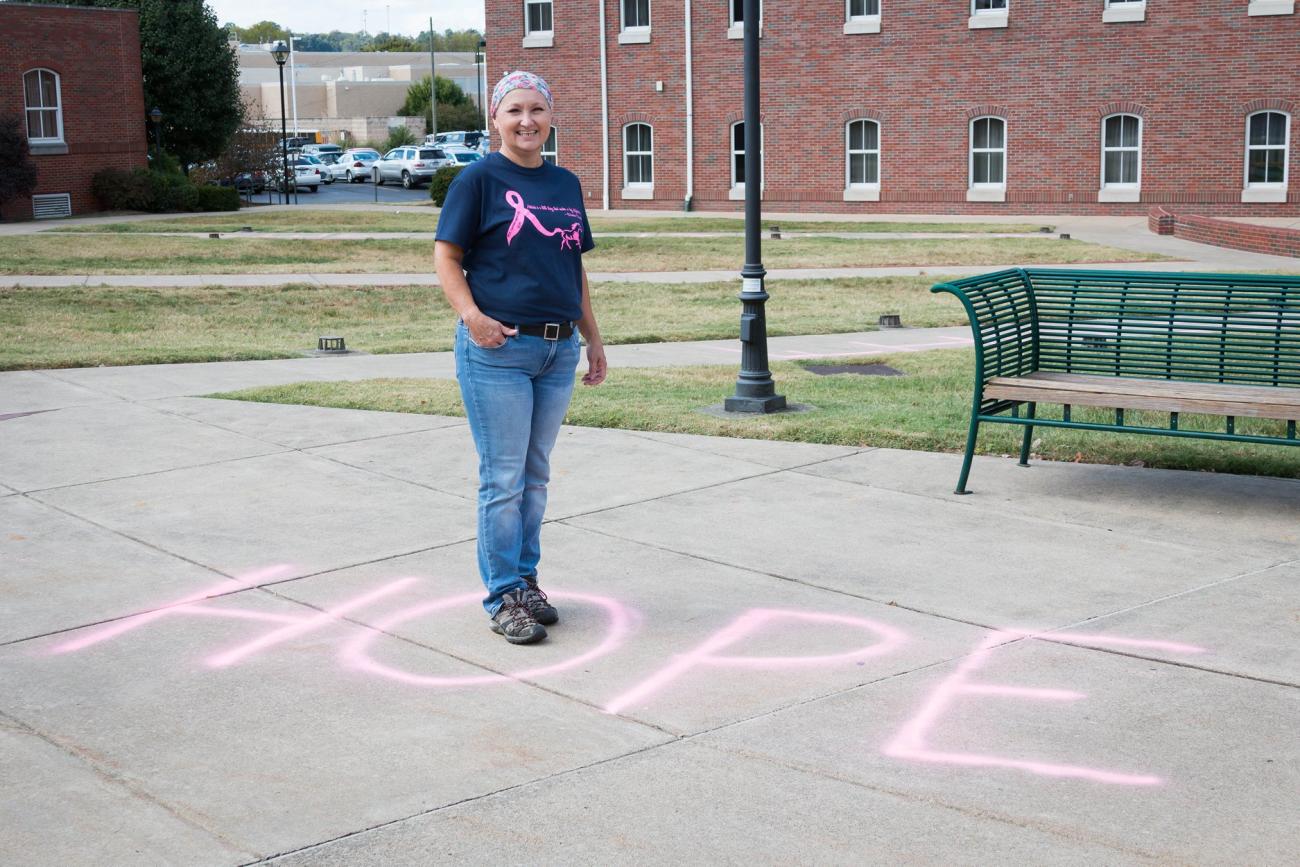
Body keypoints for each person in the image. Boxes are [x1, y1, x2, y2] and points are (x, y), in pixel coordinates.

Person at [433, 71, 607, 645]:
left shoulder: (565, 183)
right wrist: (473, 318)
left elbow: (572, 266)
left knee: (534, 477)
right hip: (498, 351)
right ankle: (501, 593)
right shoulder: (478, 181)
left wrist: (594, 339)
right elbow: (447, 257)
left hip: (558, 350)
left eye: (536, 109)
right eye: (514, 111)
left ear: (550, 117)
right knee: (503, 478)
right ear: (495, 119)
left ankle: (527, 580)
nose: (526, 120)